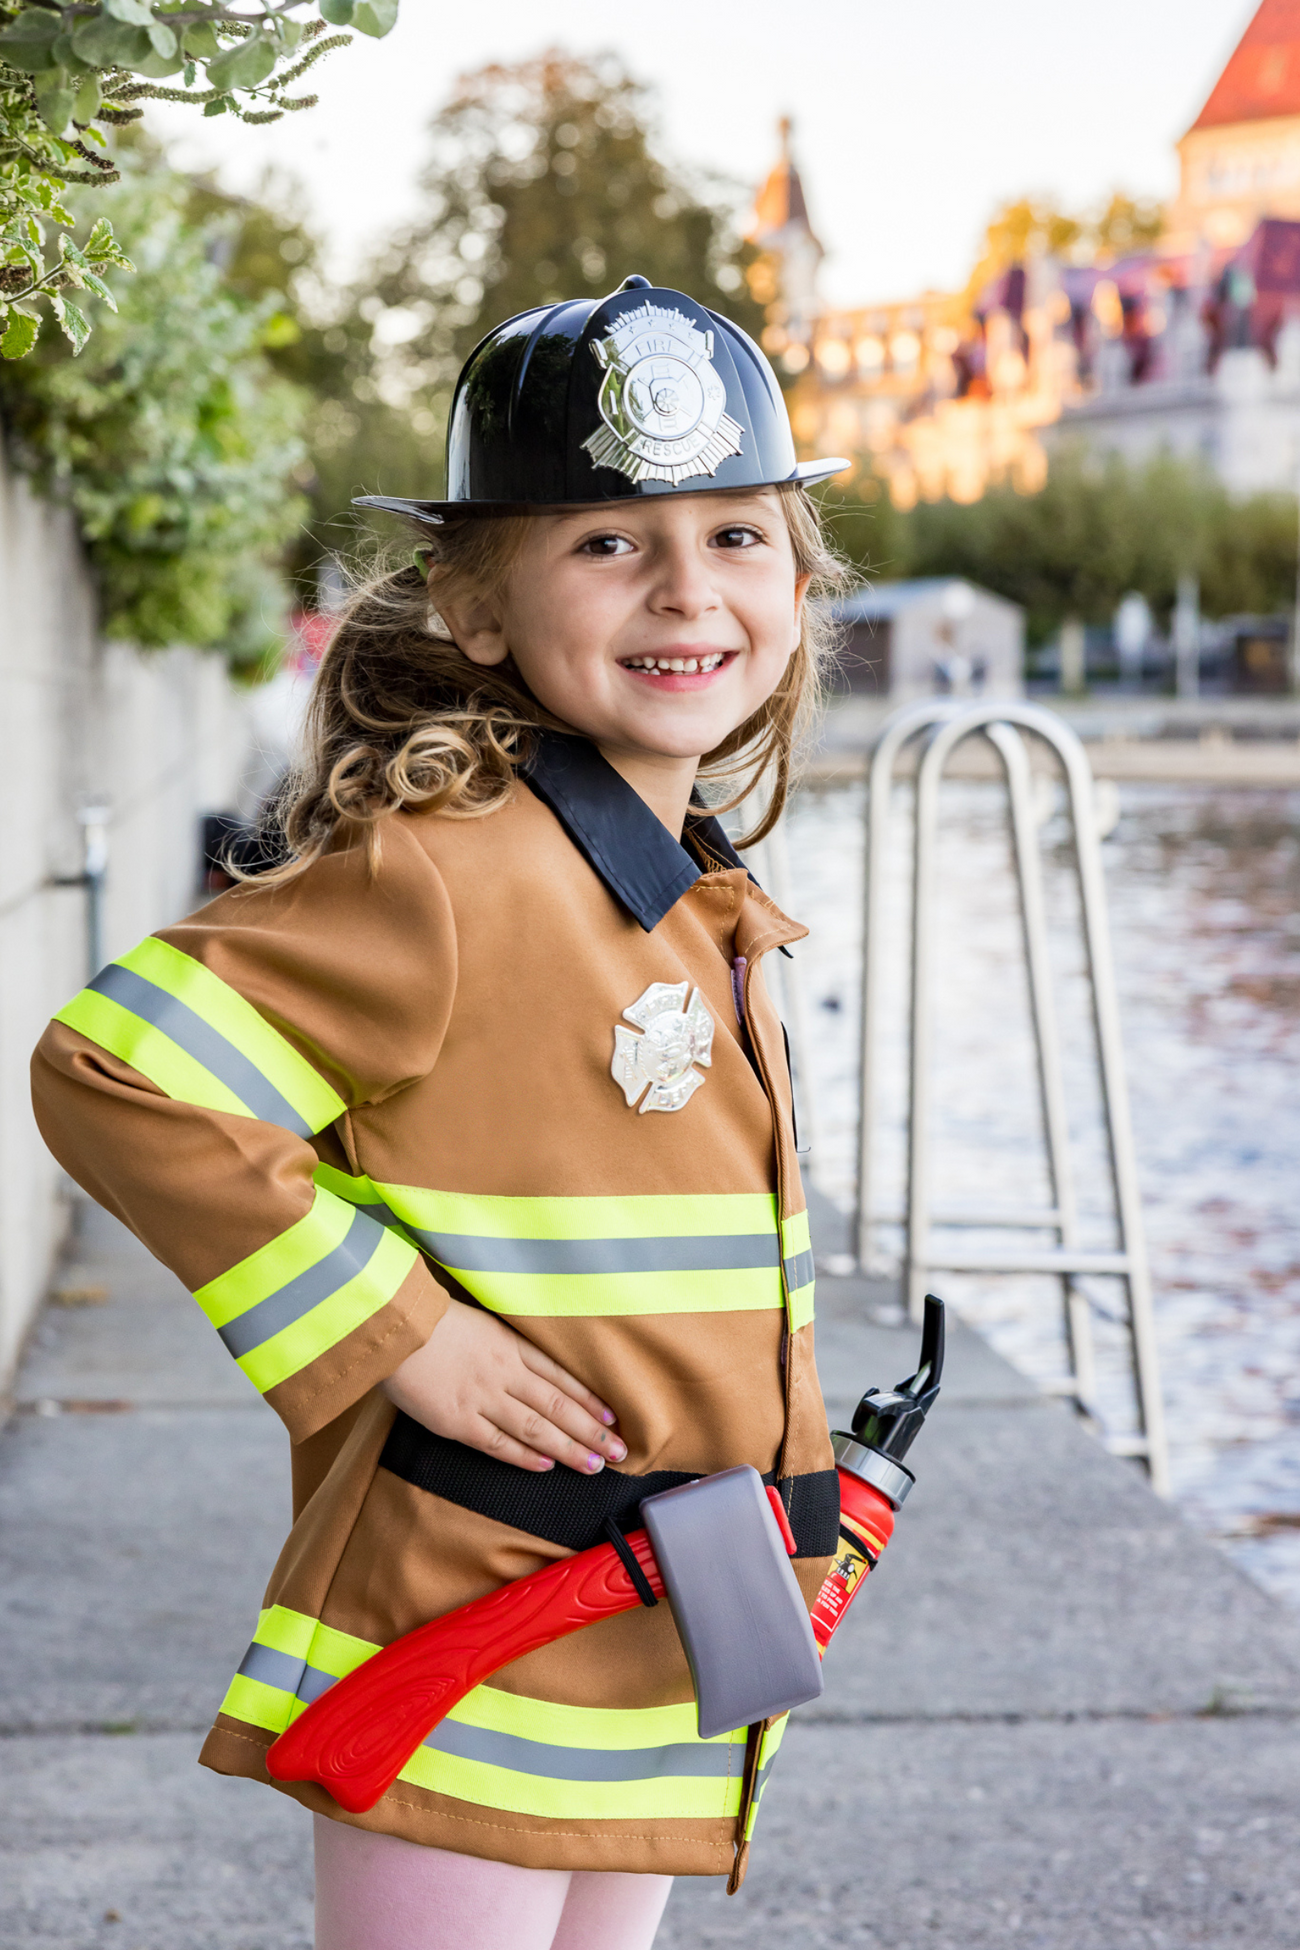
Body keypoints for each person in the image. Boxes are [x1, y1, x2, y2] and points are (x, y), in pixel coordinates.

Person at [30, 276, 849, 1950]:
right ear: (477, 604)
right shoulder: (452, 872)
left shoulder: (691, 891)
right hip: (466, 1633)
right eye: (608, 544)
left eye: (737, 537)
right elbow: (111, 1069)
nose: (686, 587)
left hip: (652, 1643)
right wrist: (403, 1333)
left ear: (799, 584)